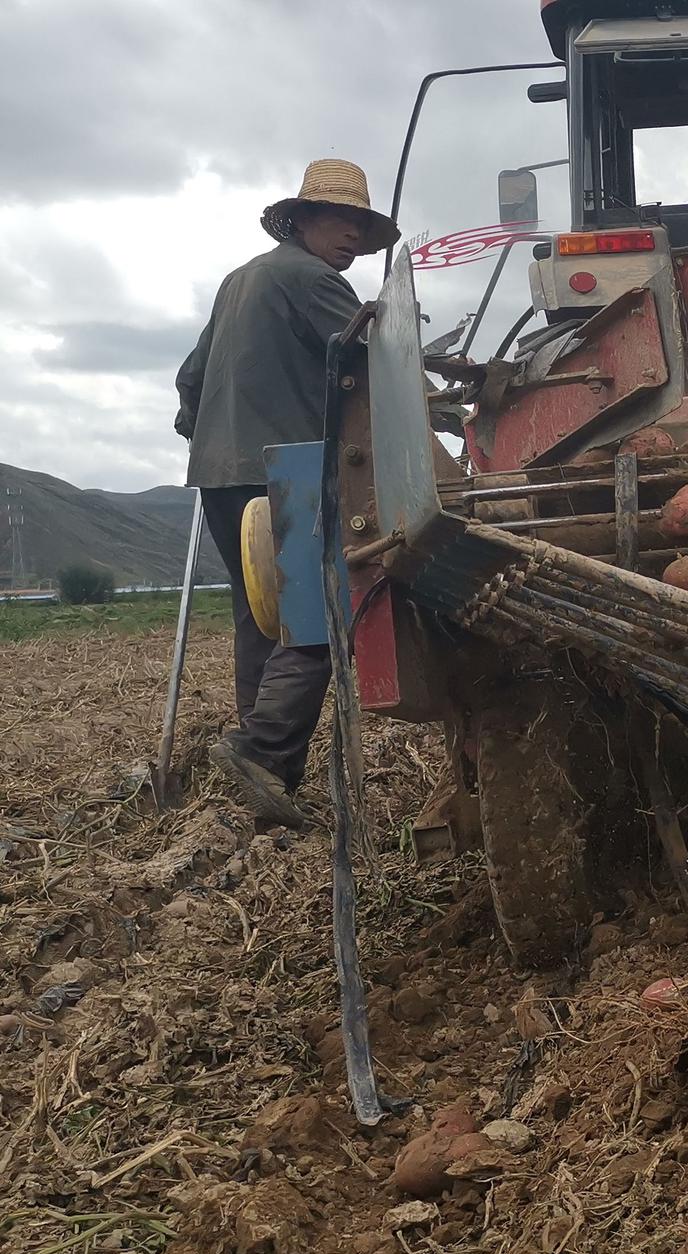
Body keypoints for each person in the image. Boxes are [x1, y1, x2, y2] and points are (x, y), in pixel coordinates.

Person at [173, 159, 400, 826]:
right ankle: (266, 750)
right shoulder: (314, 280)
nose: (352, 236)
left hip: (219, 473)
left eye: (360, 225)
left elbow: (191, 378)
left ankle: (261, 774)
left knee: (262, 616)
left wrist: (207, 432)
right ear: (303, 220)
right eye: (341, 220)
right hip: (286, 470)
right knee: (320, 612)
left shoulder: (239, 280)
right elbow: (377, 360)